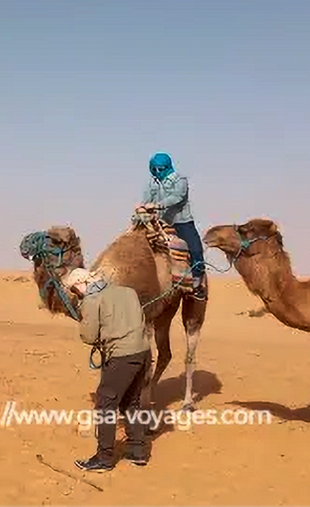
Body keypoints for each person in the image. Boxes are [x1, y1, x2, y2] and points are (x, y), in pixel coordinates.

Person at [64, 268, 152, 472]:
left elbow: (88, 336)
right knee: (131, 401)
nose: (77, 294)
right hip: (143, 353)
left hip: (122, 357)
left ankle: (103, 458)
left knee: (105, 403)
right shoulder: (128, 292)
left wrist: (85, 315)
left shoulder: (91, 300)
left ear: (80, 284)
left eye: (75, 290)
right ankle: (137, 451)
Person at [141, 151, 207, 300]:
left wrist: (157, 205)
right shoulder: (152, 183)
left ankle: (197, 285)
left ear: (168, 167)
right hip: (159, 223)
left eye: (161, 168)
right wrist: (142, 208)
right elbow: (146, 200)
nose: (158, 171)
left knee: (196, 250)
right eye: (154, 169)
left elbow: (177, 197)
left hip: (181, 223)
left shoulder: (180, 180)